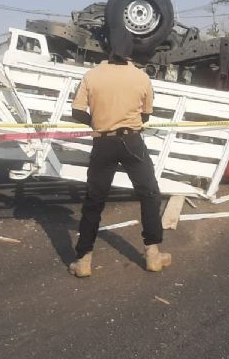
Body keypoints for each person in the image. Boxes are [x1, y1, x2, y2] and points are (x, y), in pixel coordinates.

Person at [69, 45, 172, 277]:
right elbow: (146, 115)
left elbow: (76, 112)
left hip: (103, 143)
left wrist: (96, 122)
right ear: (129, 54)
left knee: (94, 200)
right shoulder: (140, 76)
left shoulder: (91, 75)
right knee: (149, 194)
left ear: (106, 52)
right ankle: (153, 254)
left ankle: (84, 260)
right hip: (131, 142)